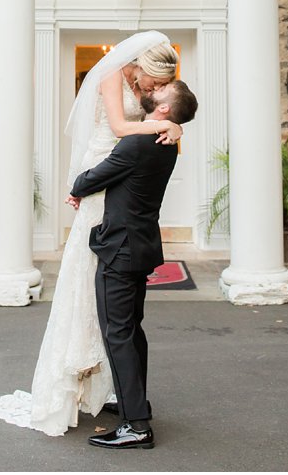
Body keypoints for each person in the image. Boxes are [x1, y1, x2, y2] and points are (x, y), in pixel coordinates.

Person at [0, 31, 183, 436]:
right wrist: (163, 125)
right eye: (154, 82)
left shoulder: (147, 106)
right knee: (97, 289)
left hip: (116, 177)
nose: (155, 90)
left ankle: (119, 395)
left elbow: (158, 118)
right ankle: (114, 391)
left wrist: (172, 124)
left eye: (161, 87)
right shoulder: (113, 77)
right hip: (107, 166)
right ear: (142, 67)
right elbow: (117, 125)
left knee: (115, 306)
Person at [70, 79, 199, 450]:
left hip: (120, 248)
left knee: (118, 333)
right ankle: (134, 404)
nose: (154, 91)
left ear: (162, 110)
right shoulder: (165, 141)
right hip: (138, 245)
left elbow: (93, 177)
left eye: (162, 92)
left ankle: (137, 426)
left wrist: (77, 186)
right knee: (131, 331)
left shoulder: (140, 141)